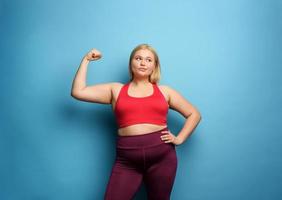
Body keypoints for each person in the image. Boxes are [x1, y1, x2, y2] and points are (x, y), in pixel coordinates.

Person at [71, 44, 201, 200]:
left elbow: (194, 114)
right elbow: (78, 92)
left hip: (162, 158)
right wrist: (86, 60)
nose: (143, 63)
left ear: (154, 66)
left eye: (148, 60)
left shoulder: (165, 91)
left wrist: (179, 139)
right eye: (138, 58)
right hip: (127, 161)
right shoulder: (116, 90)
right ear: (131, 63)